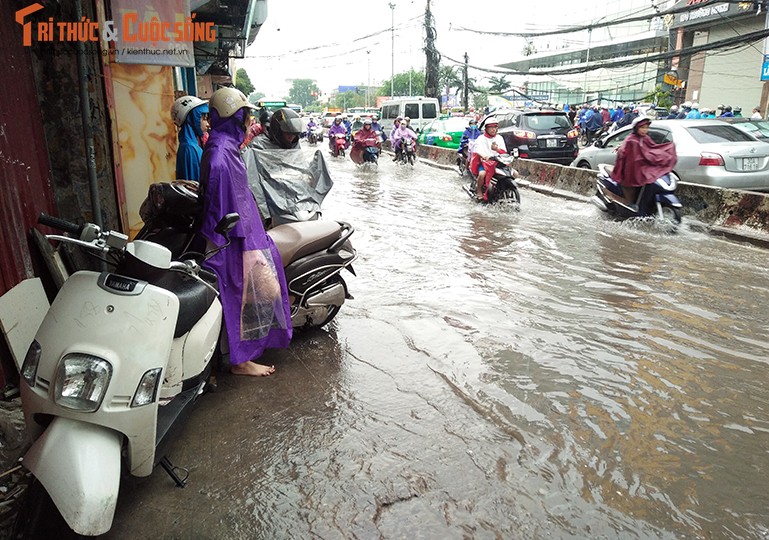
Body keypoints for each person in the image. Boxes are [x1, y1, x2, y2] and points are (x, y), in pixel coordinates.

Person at [198, 87, 292, 377]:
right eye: (246, 115)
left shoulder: (227, 147)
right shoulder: (219, 153)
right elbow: (218, 203)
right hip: (236, 240)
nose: (250, 121)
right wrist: (239, 242)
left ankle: (243, 355)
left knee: (253, 294)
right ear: (234, 116)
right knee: (250, 295)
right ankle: (241, 360)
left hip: (246, 235)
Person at [610, 116, 677, 209]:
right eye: (642, 127)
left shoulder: (646, 138)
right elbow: (623, 152)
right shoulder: (630, 139)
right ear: (636, 128)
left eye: (646, 127)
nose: (645, 130)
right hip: (631, 169)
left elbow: (653, 149)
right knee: (630, 187)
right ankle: (630, 204)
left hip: (642, 168)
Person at [171, 95, 209, 182]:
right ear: (192, 119)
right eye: (204, 119)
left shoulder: (191, 145)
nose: (207, 124)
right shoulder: (189, 148)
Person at [471, 118, 507, 201]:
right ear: (486, 129)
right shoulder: (481, 138)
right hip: (484, 162)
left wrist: (497, 149)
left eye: (495, 127)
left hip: (498, 162)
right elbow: (477, 150)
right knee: (482, 174)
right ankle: (479, 191)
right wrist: (484, 156)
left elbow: (504, 151)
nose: (493, 129)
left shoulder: (499, 138)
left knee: (514, 173)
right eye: (491, 127)